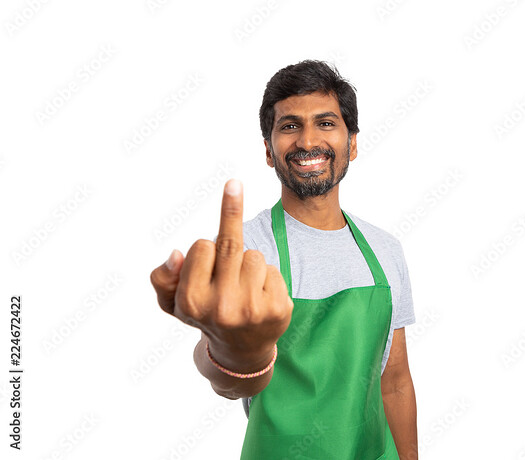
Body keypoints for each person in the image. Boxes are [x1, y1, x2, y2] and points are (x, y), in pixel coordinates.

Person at [150, 60, 417, 459]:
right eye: (289, 126)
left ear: (353, 143)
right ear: (269, 151)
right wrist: (234, 357)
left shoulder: (385, 249)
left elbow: (394, 380)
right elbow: (227, 380)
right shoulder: (249, 251)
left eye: (326, 123)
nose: (308, 140)